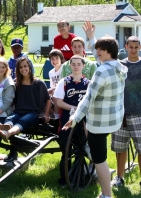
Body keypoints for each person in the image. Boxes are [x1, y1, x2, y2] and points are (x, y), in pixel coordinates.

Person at [62, 36, 128, 198]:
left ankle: (106, 195)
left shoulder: (101, 70)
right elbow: (100, 59)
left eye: (100, 50)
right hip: (114, 120)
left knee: (99, 159)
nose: (96, 52)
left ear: (109, 51)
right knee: (100, 154)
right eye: (96, 48)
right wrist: (92, 38)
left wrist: (75, 118)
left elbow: (89, 98)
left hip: (99, 122)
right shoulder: (118, 66)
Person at [110, 36, 141, 193]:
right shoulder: (119, 65)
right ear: (126, 46)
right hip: (120, 115)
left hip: (139, 114)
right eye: (131, 47)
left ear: (140, 47)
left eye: (136, 47)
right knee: (120, 149)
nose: (134, 50)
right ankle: (119, 177)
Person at [0, 57, 51, 142]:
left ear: (29, 67)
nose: (23, 69)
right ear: (18, 69)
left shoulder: (39, 83)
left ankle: (7, 133)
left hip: (32, 113)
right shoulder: (16, 83)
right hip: (18, 112)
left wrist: (46, 114)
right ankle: (4, 131)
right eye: (20, 67)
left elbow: (48, 100)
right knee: (10, 118)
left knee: (22, 121)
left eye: (25, 66)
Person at [53, 55, 90, 186]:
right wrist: (74, 108)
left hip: (82, 122)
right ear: (70, 66)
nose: (76, 66)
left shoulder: (88, 84)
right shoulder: (64, 82)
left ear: (83, 66)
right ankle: (64, 179)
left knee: (80, 151)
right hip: (66, 121)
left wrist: (80, 111)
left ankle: (78, 178)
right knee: (66, 151)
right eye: (73, 64)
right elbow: (59, 102)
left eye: (78, 64)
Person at [48, 49, 64, 119]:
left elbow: (63, 84)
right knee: (41, 96)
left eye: (57, 58)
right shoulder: (51, 72)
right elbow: (52, 86)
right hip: (54, 94)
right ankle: (54, 113)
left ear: (61, 58)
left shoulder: (64, 68)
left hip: (63, 91)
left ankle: (57, 117)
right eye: (52, 59)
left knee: (55, 92)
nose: (54, 61)